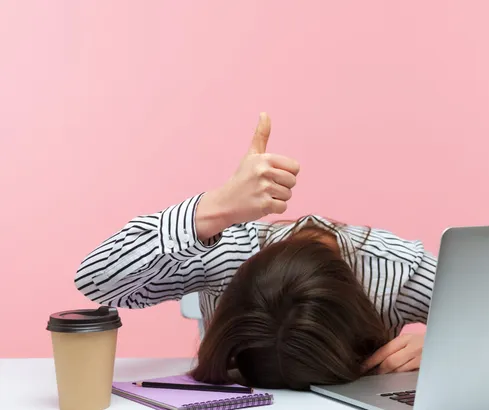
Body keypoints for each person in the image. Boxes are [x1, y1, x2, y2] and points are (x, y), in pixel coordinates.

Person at [74, 113, 437, 390]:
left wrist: (439, 347)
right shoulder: (228, 253)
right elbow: (97, 280)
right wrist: (214, 208)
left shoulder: (392, 271)